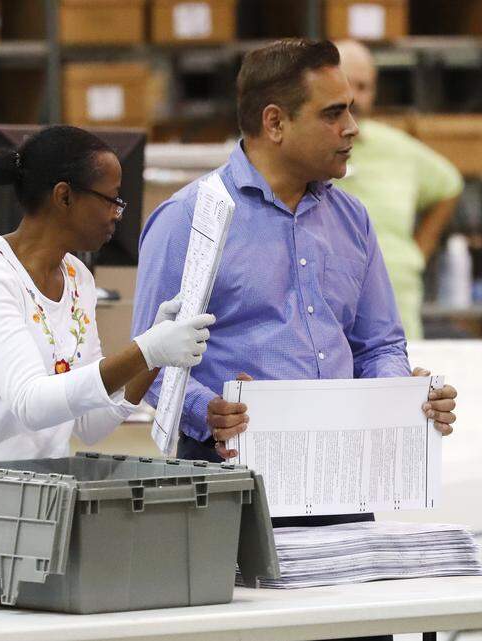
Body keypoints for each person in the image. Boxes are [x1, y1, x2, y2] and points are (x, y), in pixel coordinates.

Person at [132, 38, 458, 474]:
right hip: (230, 471)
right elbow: (145, 363)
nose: (352, 127)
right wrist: (205, 410)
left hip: (345, 469)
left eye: (350, 109)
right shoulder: (187, 220)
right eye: (332, 113)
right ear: (275, 123)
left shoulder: (351, 219)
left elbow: (379, 344)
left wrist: (400, 394)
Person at [0, 126, 214, 464]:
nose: (117, 214)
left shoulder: (77, 278)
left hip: (36, 491)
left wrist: (153, 359)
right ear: (64, 196)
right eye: (111, 199)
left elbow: (91, 423)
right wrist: (144, 349)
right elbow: (30, 403)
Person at [333, 40, 464, 340]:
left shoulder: (397, 148)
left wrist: (418, 250)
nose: (354, 96)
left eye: (363, 86)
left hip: (397, 302)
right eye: (346, 83)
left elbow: (450, 184)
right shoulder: (308, 150)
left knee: (401, 376)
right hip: (333, 305)